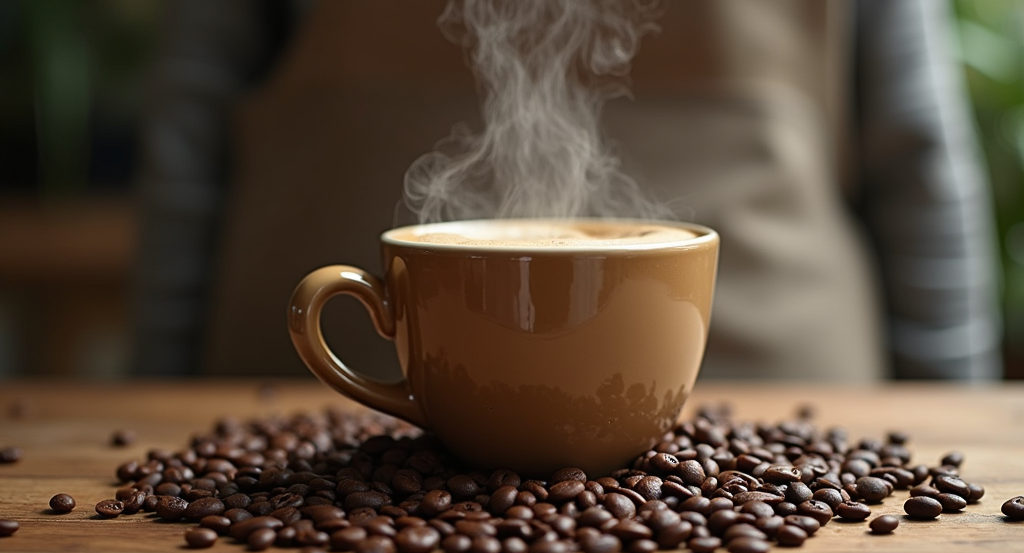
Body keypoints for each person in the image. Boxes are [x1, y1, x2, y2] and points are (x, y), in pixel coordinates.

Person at [130, 0, 1003, 382]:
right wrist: (161, 417)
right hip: (300, 412)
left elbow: (916, 162)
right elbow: (191, 133)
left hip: (787, 413)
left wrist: (953, 454)